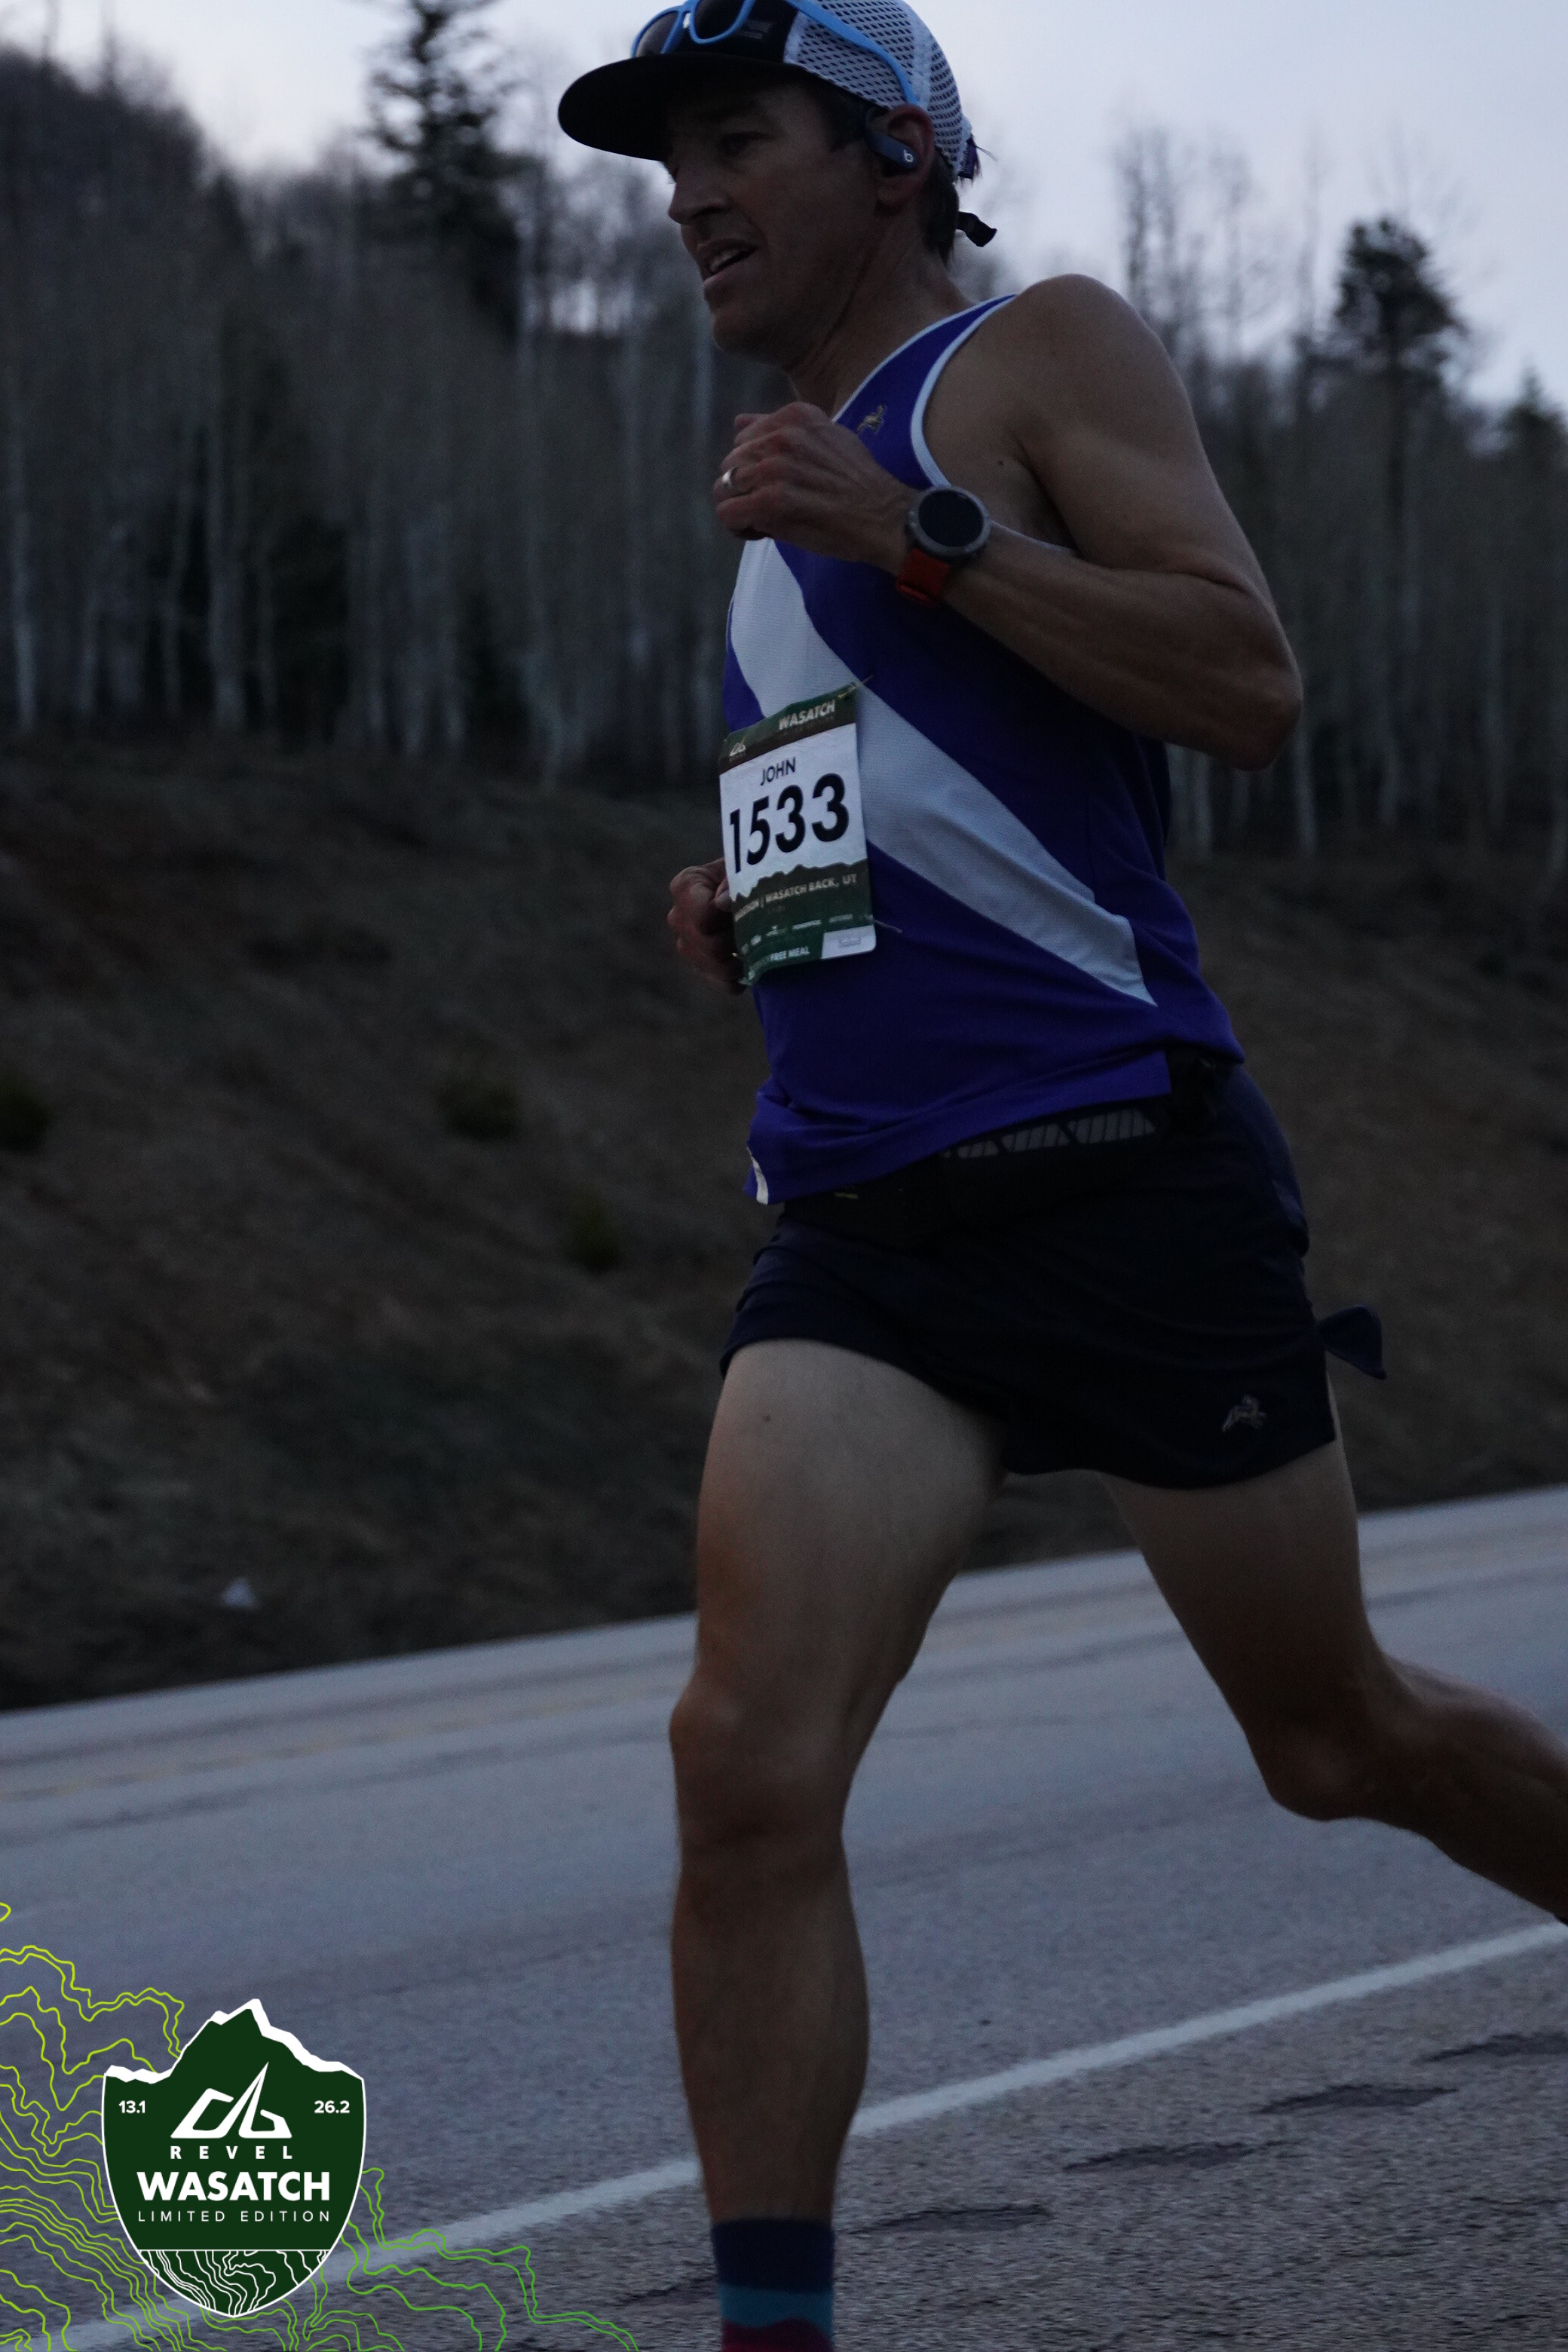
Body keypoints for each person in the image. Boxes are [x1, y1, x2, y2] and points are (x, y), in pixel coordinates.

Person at [559, 7, 1568, 2345]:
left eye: (739, 142)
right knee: (744, 1768)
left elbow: (1240, 680)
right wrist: (757, 900)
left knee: (1334, 1743)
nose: (690, 198)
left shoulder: (1034, 359)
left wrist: (911, 527)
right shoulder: (775, 503)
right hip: (864, 1233)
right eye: (670, 163)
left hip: (1122, 1180)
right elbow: (941, 804)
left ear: (900, 157)